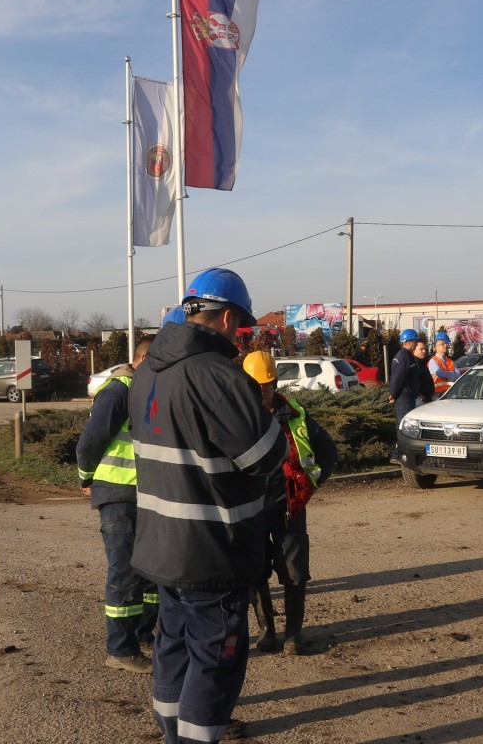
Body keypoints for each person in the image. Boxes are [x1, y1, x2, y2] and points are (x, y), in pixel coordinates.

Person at [126, 267, 288, 744]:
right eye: (241, 326)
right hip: (212, 550)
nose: (240, 337)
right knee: (215, 661)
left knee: (172, 648)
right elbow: (266, 456)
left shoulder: (147, 373)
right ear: (228, 318)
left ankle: (171, 733)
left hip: (162, 547)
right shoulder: (217, 376)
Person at [241, 351, 338, 656]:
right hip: (251, 509)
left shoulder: (295, 413)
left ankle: (294, 634)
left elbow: (327, 452)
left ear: (273, 383)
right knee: (254, 570)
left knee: (294, 570)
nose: (258, 392)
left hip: (288, 507)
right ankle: (266, 632)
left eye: (263, 386)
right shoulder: (237, 418)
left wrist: (310, 485)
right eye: (253, 387)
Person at [75, 335, 157, 674]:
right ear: (144, 360)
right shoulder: (118, 390)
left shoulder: (145, 388)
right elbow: (91, 441)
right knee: (125, 572)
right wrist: (86, 477)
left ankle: (144, 636)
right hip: (119, 493)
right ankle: (121, 649)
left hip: (145, 494)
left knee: (151, 573)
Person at [388, 329, 422, 426]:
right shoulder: (404, 357)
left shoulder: (407, 356)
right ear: (408, 342)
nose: (416, 344)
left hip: (407, 398)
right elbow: (398, 378)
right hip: (404, 400)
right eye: (415, 341)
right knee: (404, 427)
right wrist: (393, 394)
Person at [428, 331, 461, 396]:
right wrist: (453, 374)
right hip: (438, 393)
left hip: (450, 393)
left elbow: (458, 375)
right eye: (442, 344)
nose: (446, 345)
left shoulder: (450, 361)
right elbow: (439, 373)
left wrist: (448, 374)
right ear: (436, 347)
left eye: (446, 343)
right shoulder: (433, 361)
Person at [412, 339, 436, 405]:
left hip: (430, 397)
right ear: (414, 350)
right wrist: (418, 394)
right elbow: (411, 382)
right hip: (420, 399)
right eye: (421, 349)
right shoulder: (412, 364)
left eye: (425, 349)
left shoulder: (427, 362)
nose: (424, 351)